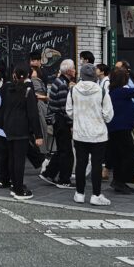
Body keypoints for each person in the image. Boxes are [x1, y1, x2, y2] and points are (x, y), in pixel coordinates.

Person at [66, 63, 114, 205]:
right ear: (94, 76)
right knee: (96, 165)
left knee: (80, 163)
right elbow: (109, 114)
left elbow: (69, 111)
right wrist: (100, 119)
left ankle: (79, 194)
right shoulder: (101, 91)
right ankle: (96, 195)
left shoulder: (73, 90)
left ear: (81, 75)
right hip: (98, 134)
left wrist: (79, 118)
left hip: (80, 133)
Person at [0, 66, 43, 200]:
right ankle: (18, 189)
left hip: (8, 128)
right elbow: (33, 115)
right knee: (19, 160)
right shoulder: (28, 91)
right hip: (21, 129)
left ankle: (14, 185)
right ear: (28, 75)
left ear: (14, 75)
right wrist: (38, 135)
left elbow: (3, 107)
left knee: (12, 158)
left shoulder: (9, 89)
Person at [106, 66, 134, 195]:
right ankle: (121, 181)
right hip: (121, 128)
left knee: (119, 155)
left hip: (116, 128)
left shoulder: (113, 91)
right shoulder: (121, 92)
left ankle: (118, 181)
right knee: (128, 155)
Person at [40, 59, 76, 189]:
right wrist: (71, 124)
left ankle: (49, 173)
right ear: (69, 71)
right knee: (66, 152)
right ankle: (64, 180)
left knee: (62, 149)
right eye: (74, 68)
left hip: (57, 120)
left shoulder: (59, 81)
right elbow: (64, 107)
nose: (75, 70)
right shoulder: (62, 84)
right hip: (61, 121)